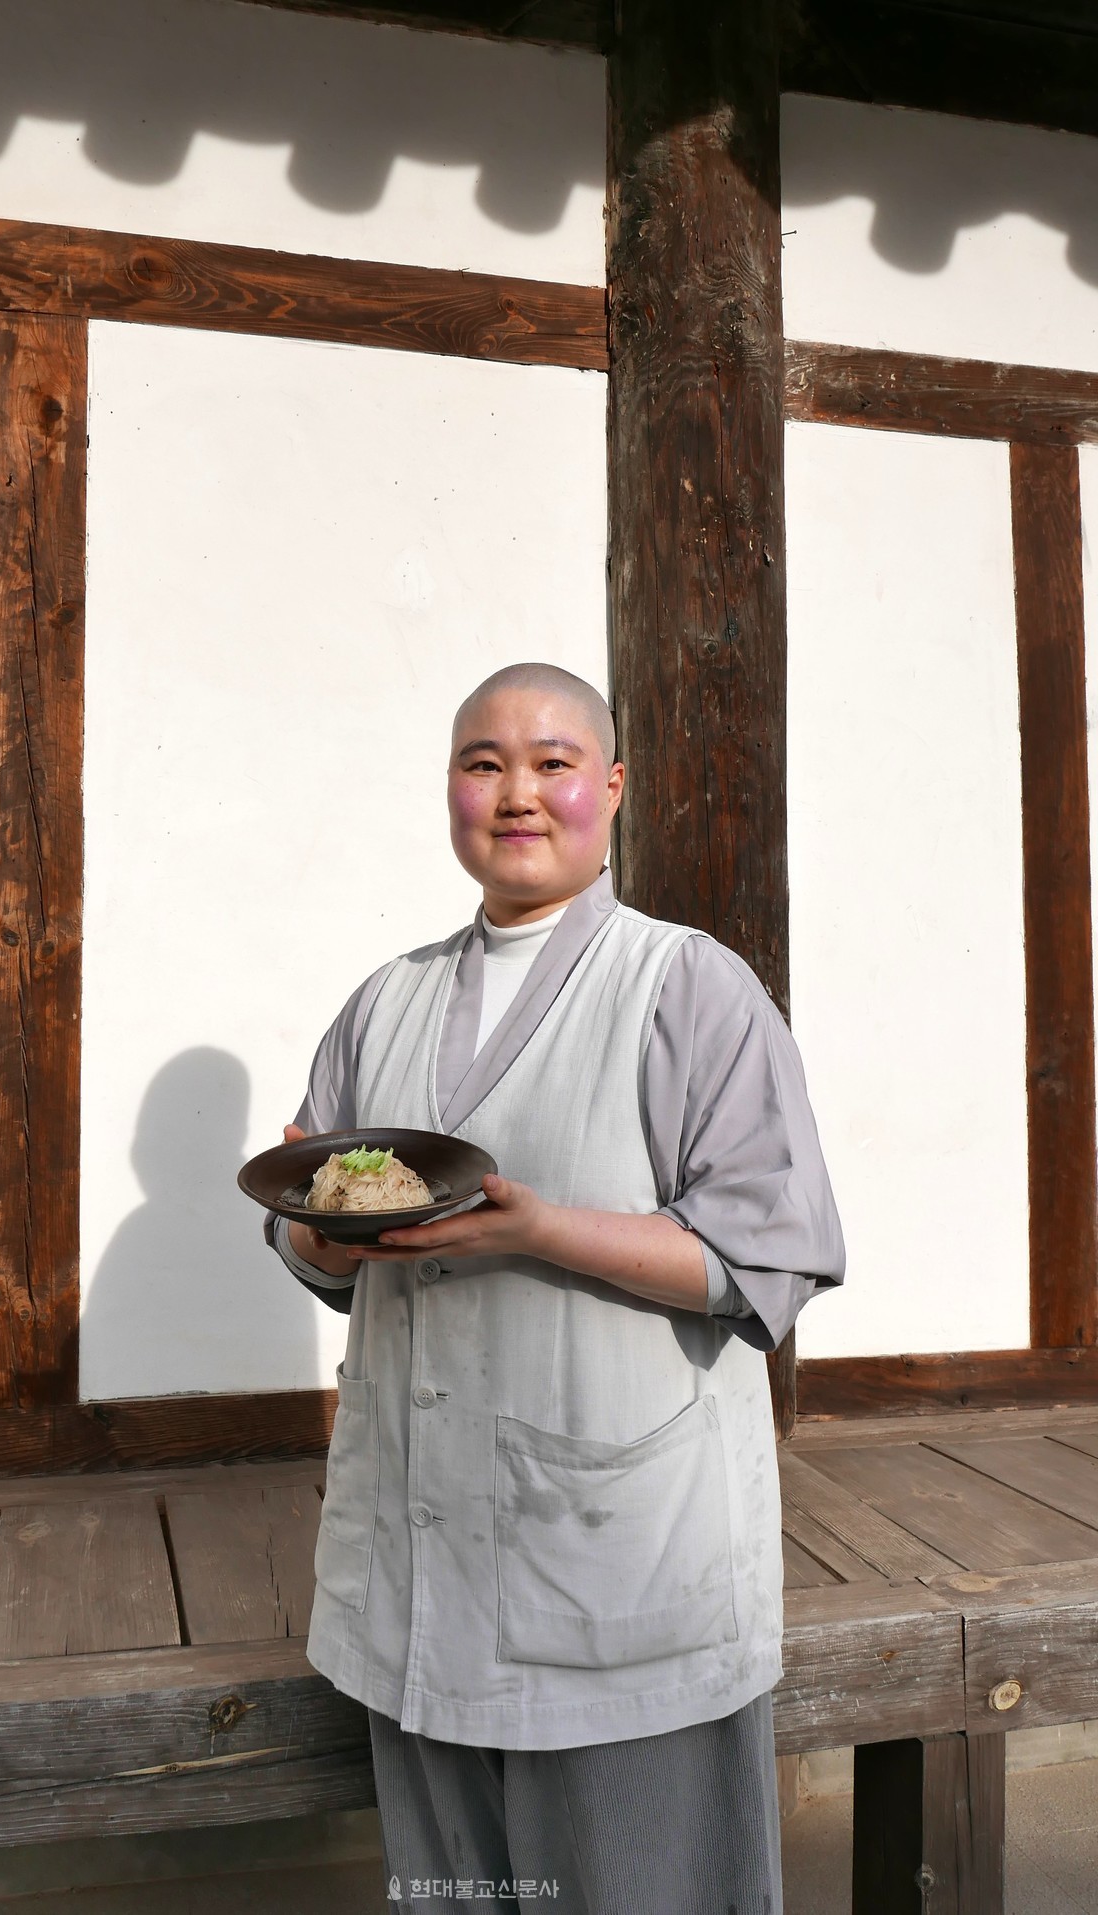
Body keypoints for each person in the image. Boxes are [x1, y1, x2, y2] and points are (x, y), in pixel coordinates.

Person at [263, 662, 845, 1915]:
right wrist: (324, 1241)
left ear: (612, 788)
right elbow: (309, 1222)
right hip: (423, 1567)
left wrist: (530, 1228)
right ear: (452, 794)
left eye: (551, 761)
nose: (515, 792)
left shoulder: (686, 985)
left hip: (615, 1560)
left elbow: (761, 1255)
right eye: (483, 764)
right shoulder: (386, 1001)